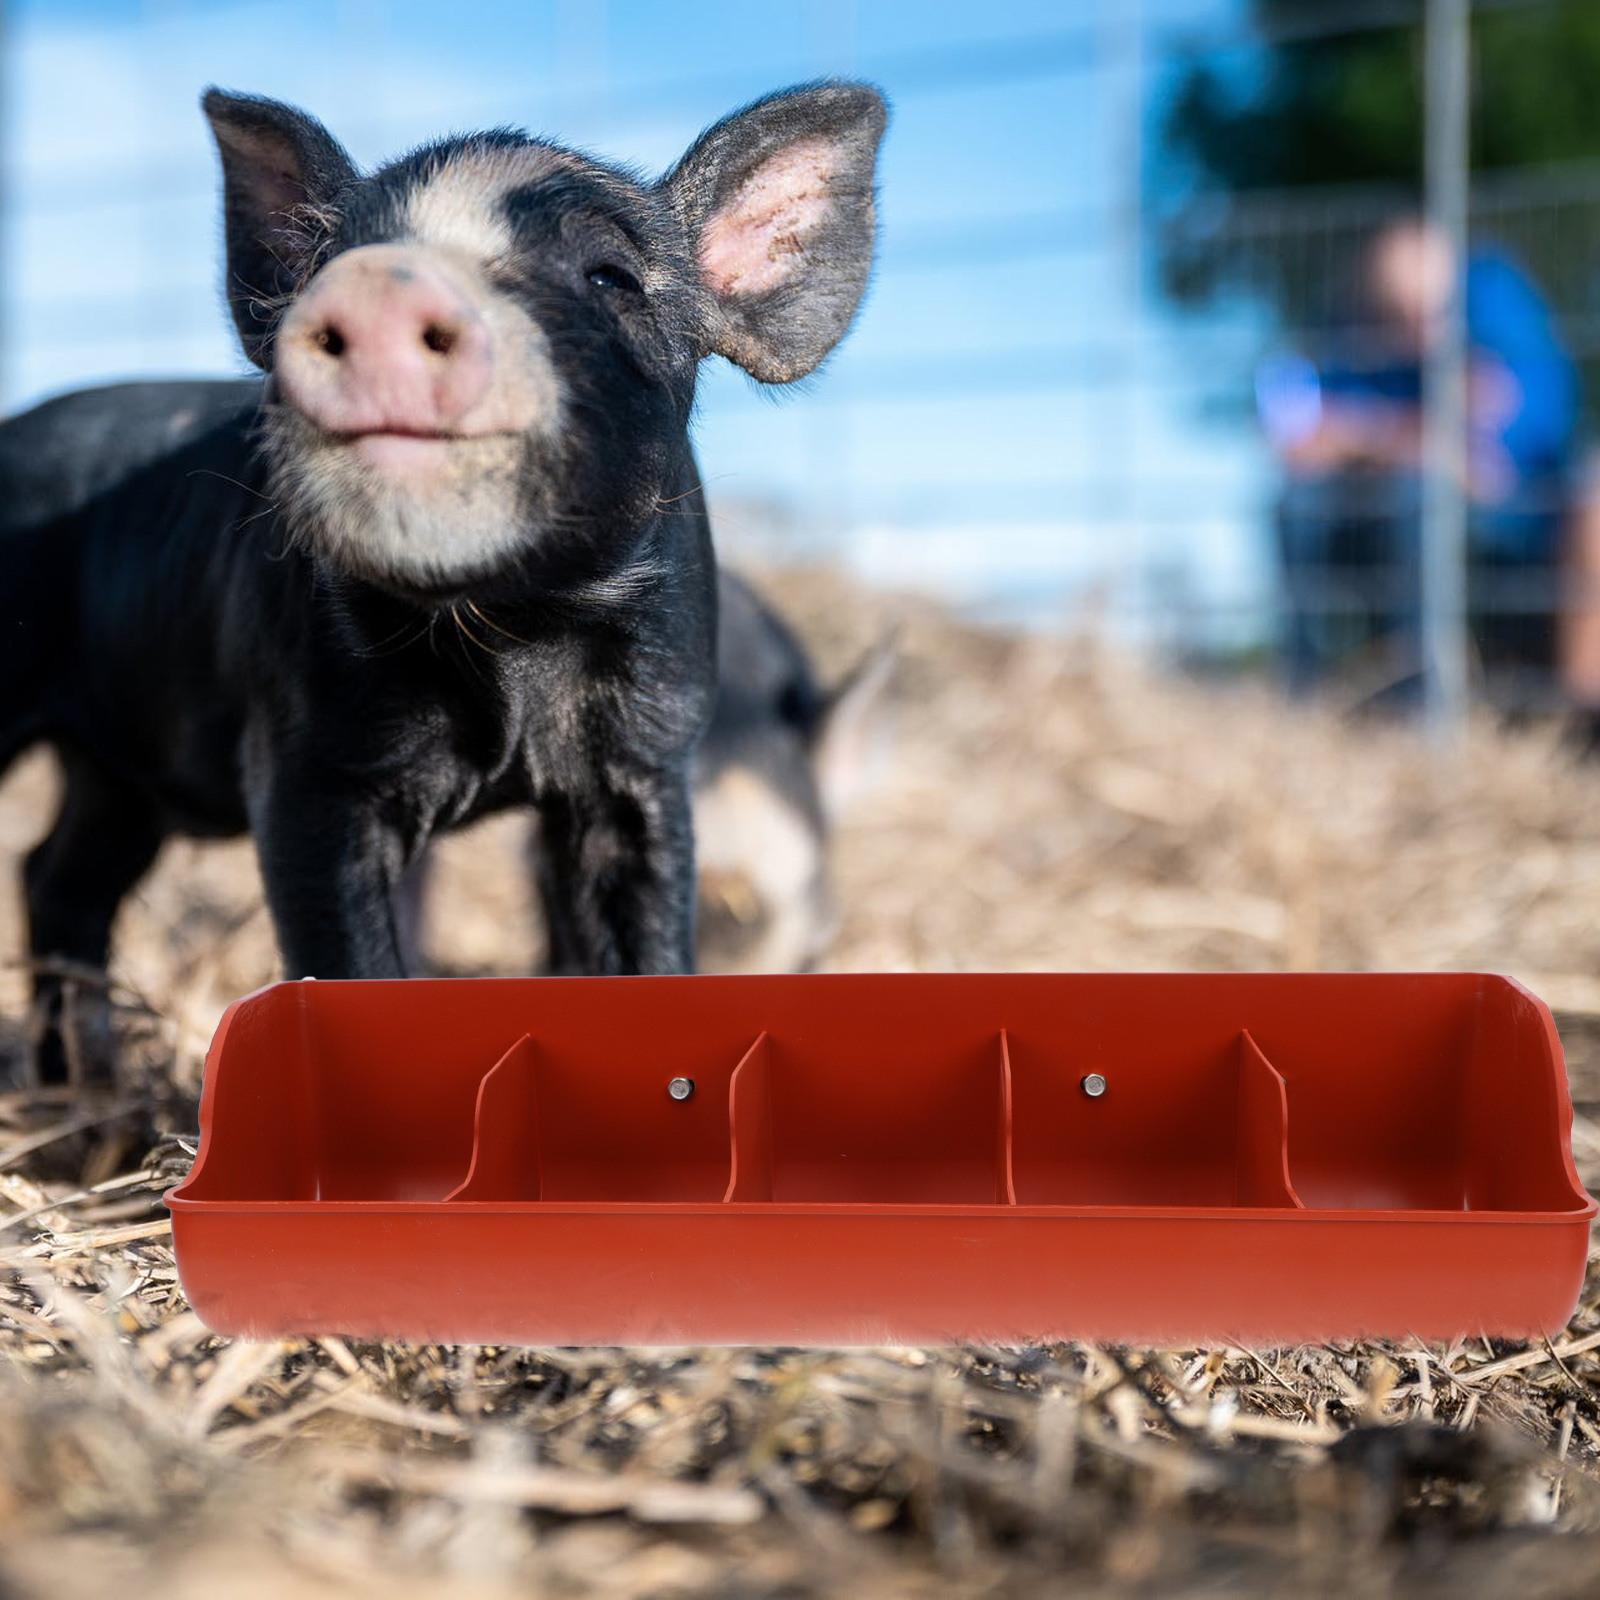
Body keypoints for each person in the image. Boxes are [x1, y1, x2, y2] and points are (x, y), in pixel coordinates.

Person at [1257, 217, 1580, 700]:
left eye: (1430, 314)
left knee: (1415, 496)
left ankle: (1415, 696)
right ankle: (1304, 690)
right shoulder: (1352, 327)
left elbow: (1489, 453)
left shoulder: (1499, 303)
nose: (1415, 331)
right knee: (1297, 503)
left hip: (1508, 518)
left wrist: (1368, 432)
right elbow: (1300, 441)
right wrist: (1413, 433)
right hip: (1373, 504)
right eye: (1396, 316)